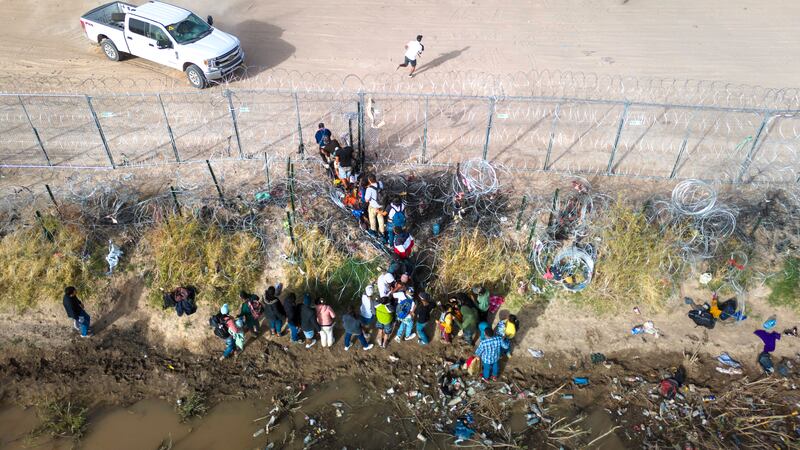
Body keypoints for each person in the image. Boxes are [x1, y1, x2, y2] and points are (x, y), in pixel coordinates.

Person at [364, 174, 386, 239]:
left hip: (373, 206)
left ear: (369, 181)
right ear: (375, 179)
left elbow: (366, 200)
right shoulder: (380, 183)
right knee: (380, 217)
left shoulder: (369, 189)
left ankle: (373, 230)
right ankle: (382, 232)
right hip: (382, 204)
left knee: (372, 218)